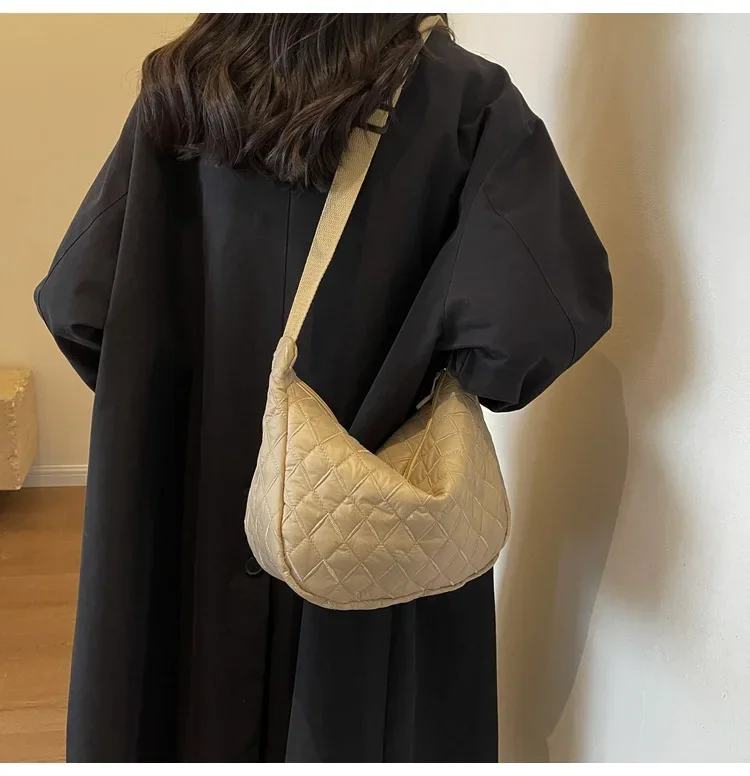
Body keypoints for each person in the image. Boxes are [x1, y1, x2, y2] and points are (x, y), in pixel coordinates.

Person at [34, 13, 612, 763]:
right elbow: (534, 326)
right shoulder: (463, 100)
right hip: (366, 528)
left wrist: (169, 408)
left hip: (185, 512)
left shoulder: (179, 89)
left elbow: (78, 307)